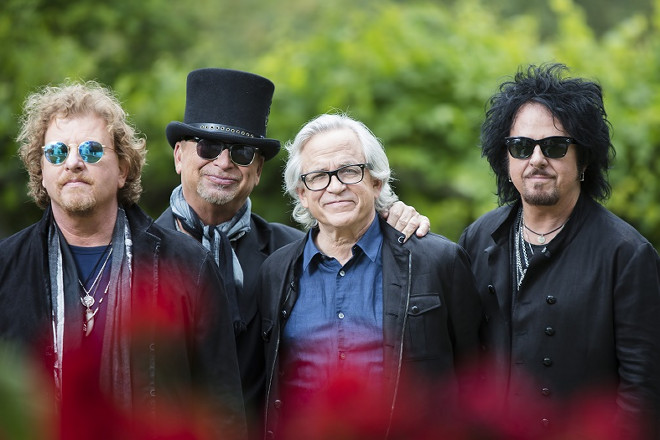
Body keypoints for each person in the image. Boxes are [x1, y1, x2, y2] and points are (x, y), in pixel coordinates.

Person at [154, 68, 431, 430]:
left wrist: (389, 213)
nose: (223, 163)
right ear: (179, 156)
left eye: (241, 152)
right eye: (207, 147)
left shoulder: (289, 256)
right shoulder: (135, 252)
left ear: (257, 170)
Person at [0, 81, 245, 438]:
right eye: (56, 152)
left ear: (123, 170)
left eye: (91, 150)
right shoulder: (6, 267)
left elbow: (222, 409)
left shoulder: (188, 266)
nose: (73, 163)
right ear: (41, 170)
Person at [458, 63, 660, 438]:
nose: (536, 159)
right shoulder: (477, 238)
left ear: (584, 158)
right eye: (521, 147)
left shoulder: (627, 255)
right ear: (505, 158)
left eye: (554, 146)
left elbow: (642, 393)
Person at [256, 113, 482, 439]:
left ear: (376, 182)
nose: (336, 187)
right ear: (302, 193)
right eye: (318, 176)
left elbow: (476, 380)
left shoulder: (437, 262)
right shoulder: (275, 273)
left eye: (349, 171)